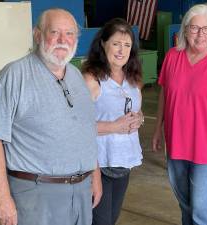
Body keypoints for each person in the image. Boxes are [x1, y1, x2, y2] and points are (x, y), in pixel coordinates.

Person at [0, 8, 102, 225]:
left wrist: (94, 175)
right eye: (54, 32)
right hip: (35, 195)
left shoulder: (76, 75)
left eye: (69, 34)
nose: (62, 40)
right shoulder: (15, 75)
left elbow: (86, 131)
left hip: (81, 192)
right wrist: (1, 199)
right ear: (38, 35)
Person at [152, 4, 207, 225]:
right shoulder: (173, 56)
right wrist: (157, 129)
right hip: (176, 145)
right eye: (194, 28)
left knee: (201, 209)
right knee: (185, 205)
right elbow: (165, 93)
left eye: (206, 29)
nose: (200, 34)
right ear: (184, 30)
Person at [82, 18, 144, 225]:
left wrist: (140, 118)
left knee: (111, 220)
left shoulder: (133, 78)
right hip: (99, 164)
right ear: (103, 43)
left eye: (127, 45)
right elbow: (75, 127)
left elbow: (135, 110)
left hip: (122, 163)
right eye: (116, 43)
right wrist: (114, 127)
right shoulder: (91, 79)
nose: (121, 50)